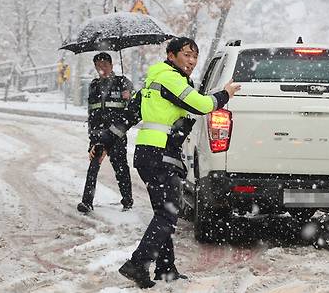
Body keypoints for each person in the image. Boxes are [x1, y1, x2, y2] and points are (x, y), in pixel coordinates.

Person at [98, 37, 241, 288]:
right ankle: (138, 263)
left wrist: (103, 143)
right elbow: (203, 105)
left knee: (163, 213)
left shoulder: (155, 80)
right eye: (186, 55)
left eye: (195, 56)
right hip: (160, 155)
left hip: (149, 155)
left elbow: (129, 114)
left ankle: (165, 269)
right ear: (171, 55)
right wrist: (225, 94)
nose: (192, 61)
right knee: (167, 213)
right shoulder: (170, 79)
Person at [77, 52, 134, 214]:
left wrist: (129, 95)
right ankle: (87, 202)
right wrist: (92, 139)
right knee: (93, 166)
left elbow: (134, 103)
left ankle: (127, 201)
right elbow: (92, 114)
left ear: (111, 65)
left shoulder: (122, 82)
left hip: (116, 134)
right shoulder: (93, 86)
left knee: (121, 168)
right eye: (98, 65)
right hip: (99, 134)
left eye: (104, 64)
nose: (102, 68)